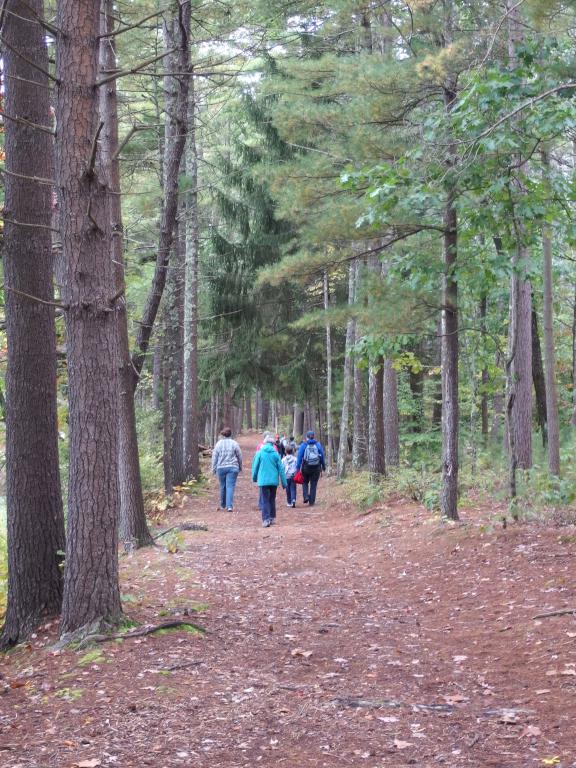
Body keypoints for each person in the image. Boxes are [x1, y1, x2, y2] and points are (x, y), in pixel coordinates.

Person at [252, 435, 286, 528]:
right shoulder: (275, 454)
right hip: (273, 481)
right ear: (272, 444)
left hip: (263, 481)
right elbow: (281, 469)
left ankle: (266, 519)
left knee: (265, 500)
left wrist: (254, 478)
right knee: (271, 499)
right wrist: (284, 482)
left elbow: (255, 467)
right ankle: (271, 517)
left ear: (265, 442)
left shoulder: (260, 453)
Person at [211, 427, 242, 512]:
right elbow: (239, 455)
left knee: (222, 486)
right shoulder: (234, 443)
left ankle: (223, 504)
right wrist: (240, 466)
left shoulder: (218, 444)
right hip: (233, 467)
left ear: (223, 435)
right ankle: (229, 506)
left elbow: (214, 457)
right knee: (230, 486)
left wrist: (213, 469)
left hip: (221, 467)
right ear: (230, 434)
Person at [296, 430, 326, 507]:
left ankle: (306, 496)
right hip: (316, 467)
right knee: (313, 484)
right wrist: (323, 466)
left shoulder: (304, 445)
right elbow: (322, 456)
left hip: (306, 467)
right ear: (313, 436)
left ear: (307, 437)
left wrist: (297, 469)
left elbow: (299, 457)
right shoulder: (318, 444)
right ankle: (311, 501)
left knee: (305, 482)